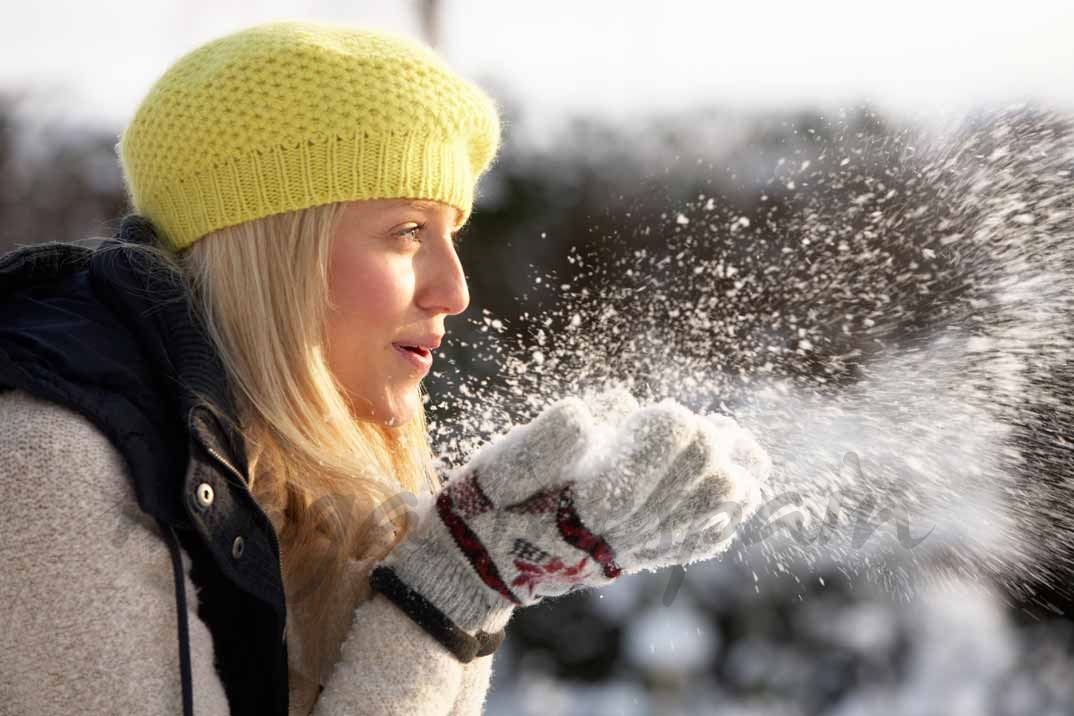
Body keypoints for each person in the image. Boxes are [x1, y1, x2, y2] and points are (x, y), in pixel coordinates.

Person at [0, 19, 770, 716]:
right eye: (406, 230)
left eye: (453, 232)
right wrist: (445, 595)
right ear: (274, 253)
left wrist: (471, 579)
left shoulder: (283, 486)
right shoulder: (52, 473)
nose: (455, 290)